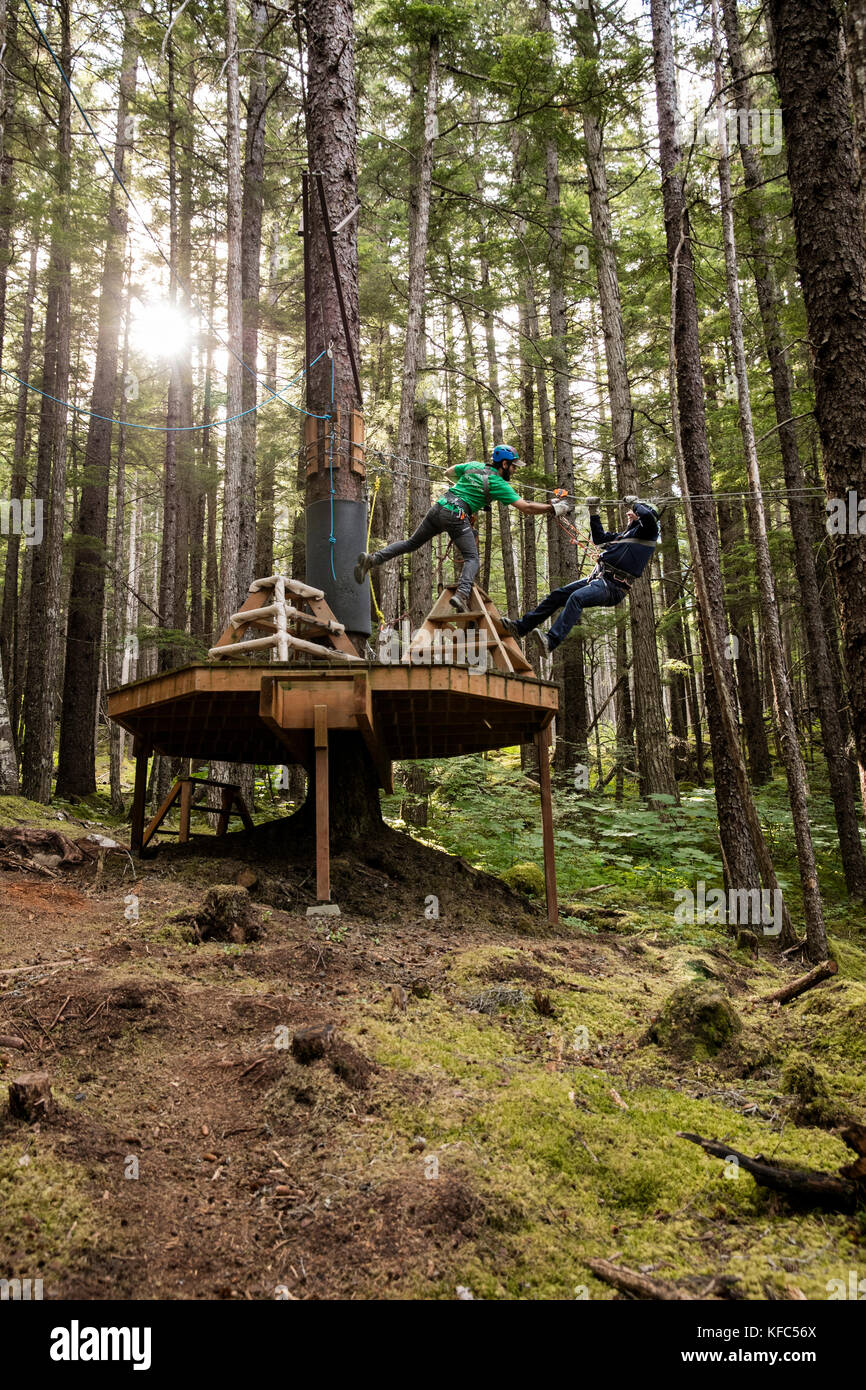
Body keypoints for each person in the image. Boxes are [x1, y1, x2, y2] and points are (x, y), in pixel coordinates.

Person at [354, 445, 571, 612]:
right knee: (472, 558)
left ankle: (372, 560)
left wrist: (469, 491)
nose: (514, 471)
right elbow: (527, 507)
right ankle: (462, 594)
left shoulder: (473, 466)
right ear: (504, 464)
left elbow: (448, 472)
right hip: (456, 515)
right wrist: (553, 508)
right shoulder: (499, 485)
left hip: (439, 507)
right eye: (513, 466)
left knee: (411, 543)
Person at [501, 496, 661, 653]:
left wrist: (634, 503)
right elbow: (599, 539)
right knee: (557, 595)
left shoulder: (649, 533)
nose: (628, 513)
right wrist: (594, 512)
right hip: (601, 578)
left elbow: (647, 515)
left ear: (642, 516)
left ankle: (551, 641)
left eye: (633, 512)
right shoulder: (623, 537)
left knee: (577, 598)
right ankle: (521, 627)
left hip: (614, 587)